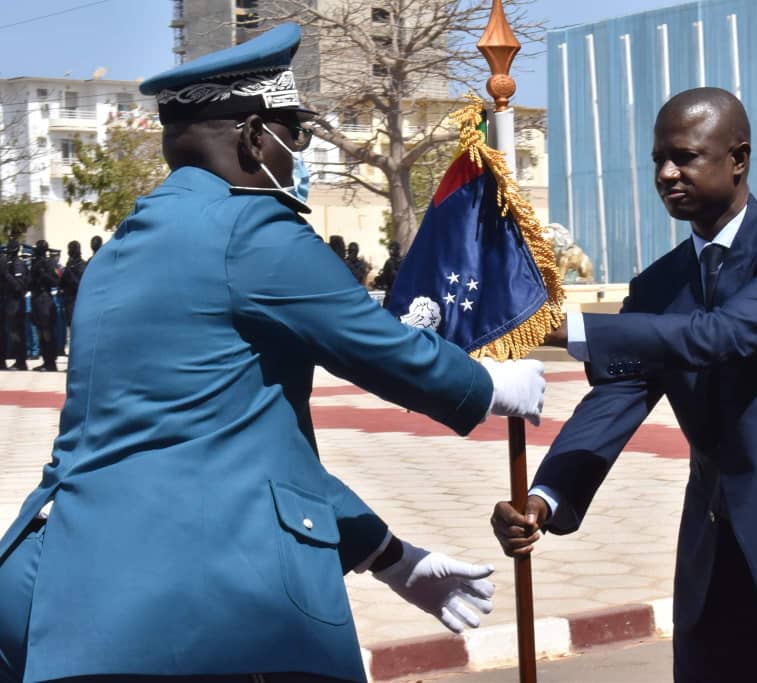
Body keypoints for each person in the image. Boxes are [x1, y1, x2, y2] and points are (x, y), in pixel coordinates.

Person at [0, 24, 545, 683]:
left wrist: (392, 557)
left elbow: (247, 450)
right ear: (256, 138)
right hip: (195, 605)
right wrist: (486, 385)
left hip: (59, 588)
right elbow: (377, 347)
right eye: (298, 136)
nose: (299, 159)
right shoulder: (252, 229)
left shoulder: (118, 254)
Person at [492, 88, 757, 683]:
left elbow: (721, 335)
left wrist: (561, 327)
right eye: (659, 158)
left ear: (737, 158)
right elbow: (617, 398)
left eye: (685, 157)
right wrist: (547, 497)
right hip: (716, 570)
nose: (666, 173)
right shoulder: (657, 285)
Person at [28, 239, 60, 371]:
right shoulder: (35, 263)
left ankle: (51, 363)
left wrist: (44, 275)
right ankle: (45, 360)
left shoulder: (49, 263)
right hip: (36, 298)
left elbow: (55, 281)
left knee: (47, 332)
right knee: (40, 332)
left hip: (44, 298)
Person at [1, 240, 28, 371]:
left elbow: (19, 286)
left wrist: (6, 275)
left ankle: (21, 361)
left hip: (16, 303)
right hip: (9, 302)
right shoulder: (10, 263)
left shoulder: (18, 264)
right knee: (12, 333)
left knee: (17, 333)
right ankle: (17, 360)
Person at [60, 240, 87, 333]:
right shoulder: (70, 264)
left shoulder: (82, 265)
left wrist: (69, 272)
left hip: (77, 301)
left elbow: (79, 284)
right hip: (69, 301)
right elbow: (61, 283)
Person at [372, 239, 403, 307]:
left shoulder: (389, 262)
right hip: (401, 293)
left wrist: (377, 280)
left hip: (391, 293)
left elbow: (384, 277)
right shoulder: (403, 260)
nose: (390, 251)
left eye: (391, 249)